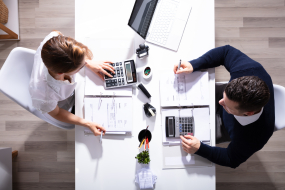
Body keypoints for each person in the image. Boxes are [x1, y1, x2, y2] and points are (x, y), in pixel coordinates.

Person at [173, 45, 275, 168]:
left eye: (226, 105)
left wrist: (200, 148)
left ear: (248, 113)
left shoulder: (255, 137)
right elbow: (226, 52)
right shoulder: (249, 69)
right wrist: (194, 64)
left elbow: (231, 159)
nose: (220, 102)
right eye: (224, 97)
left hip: (223, 127)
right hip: (221, 96)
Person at [29, 31, 115, 136]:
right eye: (81, 66)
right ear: (61, 72)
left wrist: (87, 62)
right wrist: (87, 123)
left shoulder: (52, 41)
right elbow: (57, 113)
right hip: (60, 105)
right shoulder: (45, 97)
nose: (85, 64)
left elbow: (56, 32)